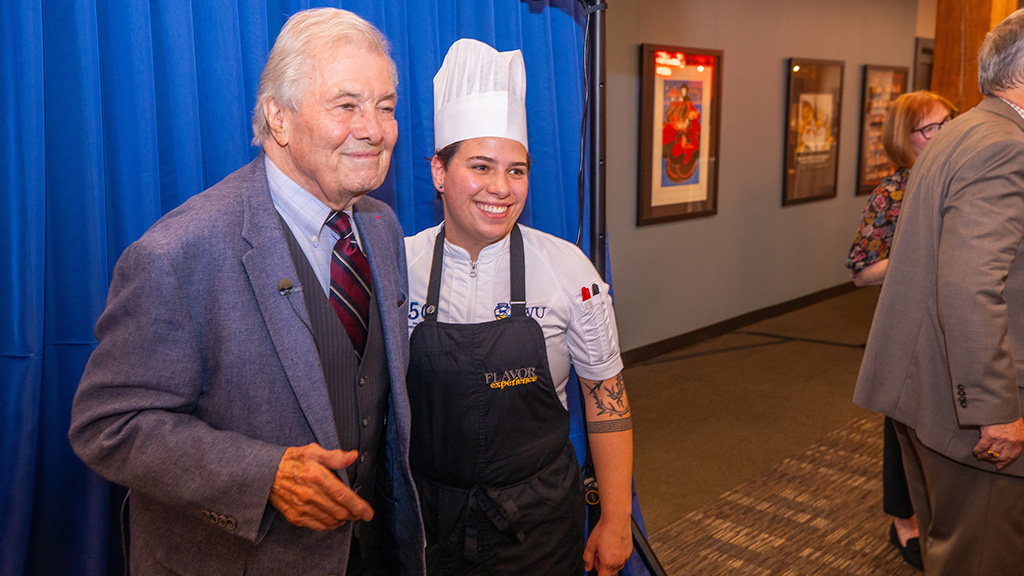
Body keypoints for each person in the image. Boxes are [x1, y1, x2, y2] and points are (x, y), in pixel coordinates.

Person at [68, 8, 424, 575]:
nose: (375, 129)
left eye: (386, 107)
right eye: (347, 105)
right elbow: (109, 425)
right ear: (278, 120)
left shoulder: (380, 227)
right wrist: (266, 475)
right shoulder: (177, 254)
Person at [404, 39, 633, 576]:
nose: (501, 189)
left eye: (517, 170)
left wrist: (617, 520)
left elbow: (607, 400)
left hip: (539, 523)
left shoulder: (569, 270)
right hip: (426, 522)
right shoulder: (398, 265)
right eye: (481, 166)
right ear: (439, 171)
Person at [854, 10, 1024, 576]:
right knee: (981, 558)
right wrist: (995, 410)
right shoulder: (1007, 146)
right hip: (969, 412)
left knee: (948, 546)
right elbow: (970, 284)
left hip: (923, 390)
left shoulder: (962, 132)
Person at [845, 90, 956, 572]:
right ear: (904, 140)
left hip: (954, 322)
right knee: (901, 423)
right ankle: (904, 522)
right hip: (907, 325)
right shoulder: (892, 192)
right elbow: (860, 270)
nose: (944, 134)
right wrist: (918, 248)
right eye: (932, 128)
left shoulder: (962, 179)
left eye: (949, 122)